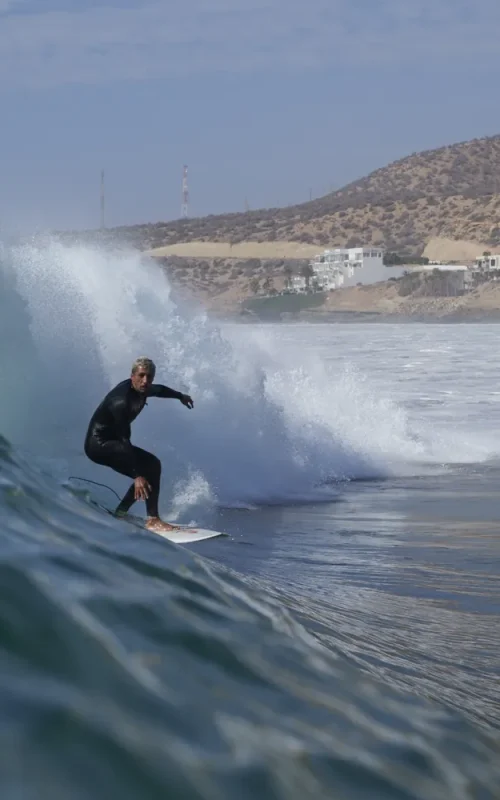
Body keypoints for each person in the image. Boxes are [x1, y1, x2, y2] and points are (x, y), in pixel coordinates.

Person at [84, 357, 194, 532]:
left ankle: (121, 512)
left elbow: (160, 390)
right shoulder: (121, 401)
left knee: (152, 466)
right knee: (146, 470)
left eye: (149, 377)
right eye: (141, 376)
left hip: (115, 441)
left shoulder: (144, 389)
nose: (145, 381)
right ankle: (152, 519)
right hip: (99, 445)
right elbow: (123, 437)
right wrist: (136, 475)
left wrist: (180, 396)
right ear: (132, 376)